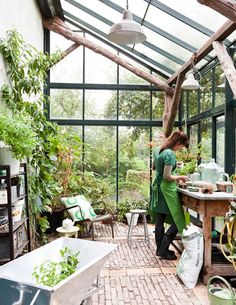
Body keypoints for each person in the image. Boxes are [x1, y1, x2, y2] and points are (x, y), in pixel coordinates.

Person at [150, 130, 189, 260]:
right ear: (178, 142)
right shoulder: (170, 154)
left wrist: (173, 176)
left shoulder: (159, 150)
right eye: (181, 146)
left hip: (158, 187)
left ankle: (161, 250)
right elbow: (167, 176)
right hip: (166, 189)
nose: (179, 149)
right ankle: (163, 249)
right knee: (179, 219)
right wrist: (180, 176)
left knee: (160, 219)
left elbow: (155, 168)